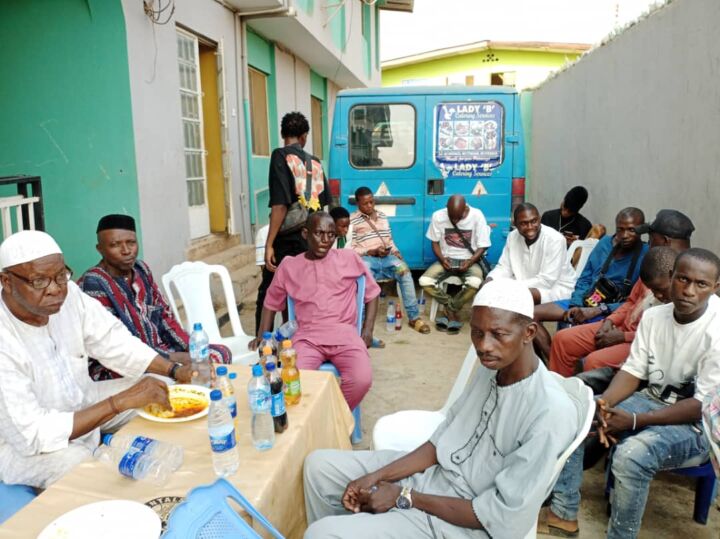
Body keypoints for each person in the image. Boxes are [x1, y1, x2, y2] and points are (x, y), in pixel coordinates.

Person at [302, 279, 581, 539]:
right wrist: (378, 476)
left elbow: (502, 518)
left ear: (528, 332)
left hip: (463, 522)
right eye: (476, 332)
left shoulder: (549, 413)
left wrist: (405, 496)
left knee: (321, 534)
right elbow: (440, 443)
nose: (484, 346)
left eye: (498, 334)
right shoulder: (494, 366)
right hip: (434, 478)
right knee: (319, 468)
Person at [0, 231, 193, 522]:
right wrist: (118, 403)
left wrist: (174, 370)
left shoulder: (69, 298)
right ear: (7, 282)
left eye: (61, 276)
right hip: (19, 447)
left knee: (161, 388)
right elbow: (34, 434)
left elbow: (113, 341)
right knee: (76, 462)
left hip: (80, 402)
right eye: (39, 281)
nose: (55, 290)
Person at [542, 248, 720, 538]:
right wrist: (604, 404)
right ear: (671, 278)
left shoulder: (716, 329)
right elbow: (633, 372)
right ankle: (563, 513)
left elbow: (700, 405)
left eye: (700, 284)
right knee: (577, 417)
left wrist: (635, 421)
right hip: (652, 399)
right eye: (682, 279)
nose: (688, 291)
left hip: (698, 424)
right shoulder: (654, 318)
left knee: (630, 456)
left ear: (715, 288)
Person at [79, 214, 231, 382]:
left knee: (218, 354)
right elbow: (112, 345)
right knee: (165, 378)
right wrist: (174, 358)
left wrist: (191, 350)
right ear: (100, 249)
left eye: (131, 243)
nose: (126, 250)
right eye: (115, 245)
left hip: (163, 351)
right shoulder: (94, 283)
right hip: (123, 363)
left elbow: (165, 316)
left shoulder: (141, 270)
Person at [252, 212, 379, 409]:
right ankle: (319, 420)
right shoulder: (290, 266)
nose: (325, 240)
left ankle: (334, 419)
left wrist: (368, 331)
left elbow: (372, 293)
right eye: (319, 233)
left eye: (331, 235)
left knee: (361, 379)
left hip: (345, 335)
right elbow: (271, 303)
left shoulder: (349, 258)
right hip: (307, 338)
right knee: (293, 381)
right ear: (305, 233)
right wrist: (262, 338)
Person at [533, 207, 648, 358]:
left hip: (609, 310)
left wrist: (598, 309)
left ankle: (559, 362)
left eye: (631, 230)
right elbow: (585, 278)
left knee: (573, 337)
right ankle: (552, 359)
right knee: (529, 314)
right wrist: (576, 304)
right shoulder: (605, 244)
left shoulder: (646, 255)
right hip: (587, 299)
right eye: (620, 229)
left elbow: (633, 302)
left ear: (642, 229)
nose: (624, 235)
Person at [549, 246, 676, 377]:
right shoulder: (651, 272)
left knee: (594, 362)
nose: (657, 295)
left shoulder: (679, 300)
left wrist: (622, 337)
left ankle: (593, 397)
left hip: (639, 342)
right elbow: (630, 302)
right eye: (653, 290)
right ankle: (560, 392)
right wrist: (609, 321)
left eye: (661, 290)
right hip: (620, 326)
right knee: (563, 340)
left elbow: (660, 338)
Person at [255, 111, 330, 333]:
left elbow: (280, 205)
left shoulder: (280, 156)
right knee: (301, 292)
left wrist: (269, 244)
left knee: (269, 291)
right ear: (304, 136)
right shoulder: (315, 162)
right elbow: (323, 203)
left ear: (282, 134)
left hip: (288, 238)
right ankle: (301, 339)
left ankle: (263, 343)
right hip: (310, 238)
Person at [350, 187, 430, 334]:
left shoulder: (382, 216)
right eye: (365, 204)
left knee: (404, 271)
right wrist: (369, 251)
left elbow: (389, 240)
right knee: (362, 278)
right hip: (367, 259)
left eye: (371, 202)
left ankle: (414, 318)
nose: (369, 206)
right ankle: (360, 323)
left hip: (387, 258)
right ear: (357, 204)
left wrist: (395, 251)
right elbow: (350, 248)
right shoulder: (352, 220)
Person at [418, 195, 491, 334]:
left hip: (469, 260)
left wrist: (470, 262)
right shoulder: (438, 216)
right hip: (447, 259)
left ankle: (450, 309)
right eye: (452, 217)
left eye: (459, 217)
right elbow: (434, 242)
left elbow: (483, 245)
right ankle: (451, 306)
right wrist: (442, 259)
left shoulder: (477, 215)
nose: (455, 220)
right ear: (446, 208)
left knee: (475, 282)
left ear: (465, 208)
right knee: (424, 281)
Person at [486, 202, 576, 305]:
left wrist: (510, 287)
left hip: (556, 287)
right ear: (514, 223)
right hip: (524, 282)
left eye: (533, 221)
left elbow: (546, 281)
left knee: (517, 297)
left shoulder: (555, 239)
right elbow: (505, 267)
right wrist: (490, 279)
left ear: (539, 219)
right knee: (492, 293)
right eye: (524, 223)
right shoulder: (512, 237)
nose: (530, 227)